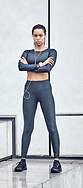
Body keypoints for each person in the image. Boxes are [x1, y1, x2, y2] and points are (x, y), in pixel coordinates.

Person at [14, 24, 62, 173]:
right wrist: (40, 64)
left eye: (41, 35)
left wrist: (30, 65)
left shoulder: (51, 52)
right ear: (32, 36)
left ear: (45, 35)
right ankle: (23, 160)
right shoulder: (27, 52)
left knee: (51, 126)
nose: (38, 38)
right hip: (30, 91)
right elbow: (20, 67)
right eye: (35, 35)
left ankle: (57, 161)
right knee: (28, 127)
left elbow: (47, 69)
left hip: (45, 90)